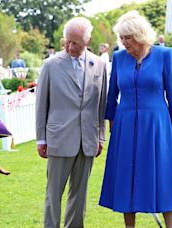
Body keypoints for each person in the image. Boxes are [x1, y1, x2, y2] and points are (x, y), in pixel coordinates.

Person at [99, 11, 172, 228]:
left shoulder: (165, 55)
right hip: (125, 125)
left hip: (157, 125)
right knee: (126, 176)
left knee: (163, 176)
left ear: (140, 35)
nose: (123, 42)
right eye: (121, 38)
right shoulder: (119, 57)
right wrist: (111, 122)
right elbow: (112, 95)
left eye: (127, 38)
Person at [35, 17, 107, 228]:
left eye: (76, 42)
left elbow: (100, 104)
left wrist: (100, 136)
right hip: (58, 139)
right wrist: (41, 138)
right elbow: (41, 105)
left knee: (80, 195)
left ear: (88, 40)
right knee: (53, 195)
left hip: (88, 140)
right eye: (67, 41)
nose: (70, 46)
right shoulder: (50, 65)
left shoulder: (99, 64)